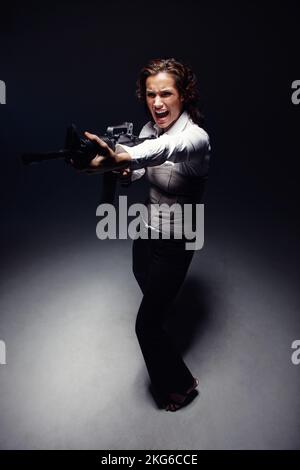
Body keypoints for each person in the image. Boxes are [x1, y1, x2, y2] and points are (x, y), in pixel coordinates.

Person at [75, 58, 211, 411]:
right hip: (147, 226)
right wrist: (122, 170)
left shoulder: (195, 138)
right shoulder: (150, 129)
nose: (158, 103)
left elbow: (161, 151)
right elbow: (138, 172)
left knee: (146, 326)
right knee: (143, 277)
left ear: (184, 95)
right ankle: (162, 308)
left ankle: (181, 385)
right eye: (151, 94)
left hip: (180, 234)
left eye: (166, 93)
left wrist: (122, 156)